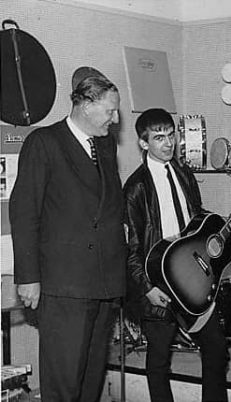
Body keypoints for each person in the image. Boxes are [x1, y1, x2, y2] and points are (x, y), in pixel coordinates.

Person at [10, 67, 126, 401]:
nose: (115, 118)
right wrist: (28, 277)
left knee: (91, 382)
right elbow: (24, 212)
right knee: (63, 386)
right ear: (86, 105)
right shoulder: (44, 143)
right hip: (64, 287)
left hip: (102, 285)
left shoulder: (104, 147)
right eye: (110, 110)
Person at [123, 108, 229, 402]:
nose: (168, 143)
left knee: (216, 350)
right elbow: (131, 248)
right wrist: (147, 289)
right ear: (143, 143)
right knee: (158, 361)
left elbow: (196, 222)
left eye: (171, 135)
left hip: (194, 277)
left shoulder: (183, 173)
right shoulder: (135, 188)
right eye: (159, 138)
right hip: (158, 285)